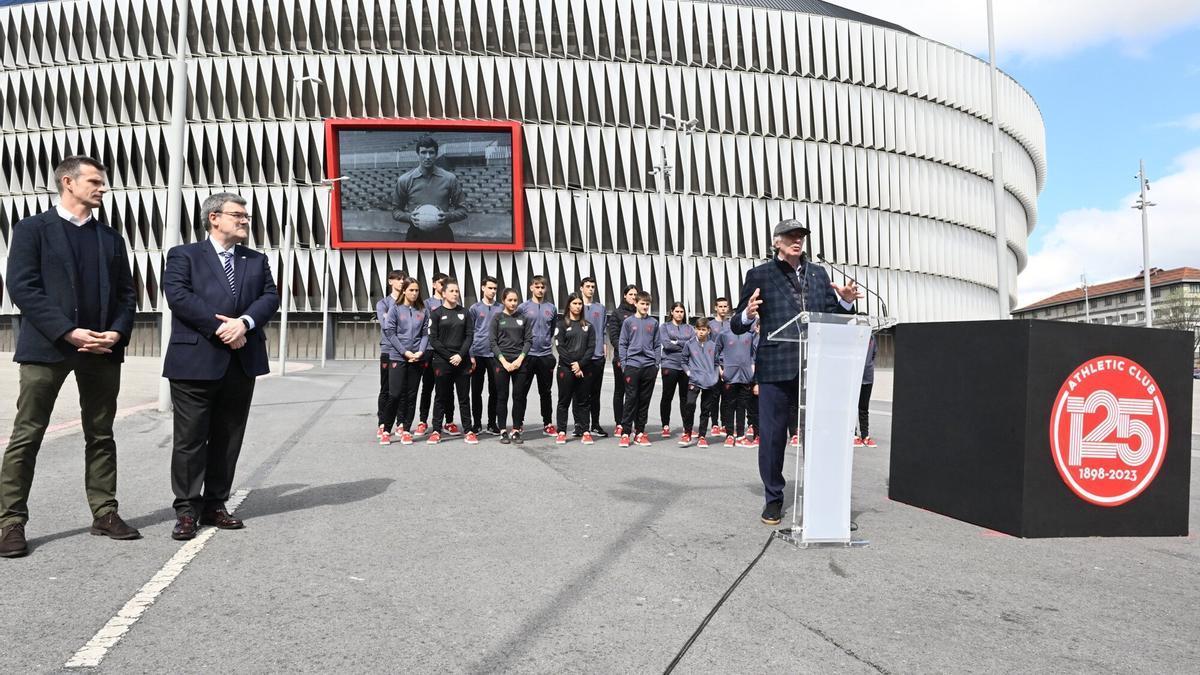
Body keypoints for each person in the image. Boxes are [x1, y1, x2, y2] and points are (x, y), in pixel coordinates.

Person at [0, 156, 140, 557]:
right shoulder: (32, 229)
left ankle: (104, 512)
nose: (102, 188)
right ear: (68, 182)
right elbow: (23, 288)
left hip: (101, 349)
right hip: (48, 347)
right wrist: (68, 330)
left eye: (102, 182)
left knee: (101, 433)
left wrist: (116, 332)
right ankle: (10, 522)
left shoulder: (110, 238)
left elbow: (126, 295)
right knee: (27, 435)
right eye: (94, 181)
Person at [162, 192, 281, 540]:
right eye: (238, 214)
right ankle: (186, 510)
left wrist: (243, 323)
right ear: (214, 217)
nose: (245, 220)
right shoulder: (183, 255)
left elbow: (269, 297)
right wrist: (222, 329)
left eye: (246, 216)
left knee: (228, 436)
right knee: (190, 439)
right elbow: (179, 297)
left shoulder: (255, 260)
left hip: (241, 360)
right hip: (194, 360)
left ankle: (215, 504)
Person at [732, 218, 860, 526]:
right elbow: (737, 324)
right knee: (773, 437)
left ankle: (821, 498)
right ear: (776, 241)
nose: (797, 240)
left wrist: (844, 302)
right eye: (790, 235)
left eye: (801, 235)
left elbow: (833, 317)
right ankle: (774, 498)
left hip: (816, 364)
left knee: (820, 435)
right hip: (776, 366)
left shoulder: (819, 274)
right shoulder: (759, 274)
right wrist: (748, 315)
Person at [391, 135, 468, 243]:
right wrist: (409, 217)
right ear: (417, 154)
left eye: (431, 152)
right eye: (423, 152)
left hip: (443, 235)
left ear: (436, 154)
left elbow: (463, 211)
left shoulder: (449, 178)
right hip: (415, 235)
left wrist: (448, 216)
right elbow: (395, 211)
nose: (427, 157)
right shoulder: (404, 180)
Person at [380, 279, 429, 445]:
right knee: (394, 394)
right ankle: (386, 429)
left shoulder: (422, 310)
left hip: (417, 358)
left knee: (411, 395)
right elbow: (390, 333)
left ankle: (406, 429)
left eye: (417, 290)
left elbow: (425, 334)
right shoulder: (395, 309)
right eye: (411, 290)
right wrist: (405, 352)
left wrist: (420, 352)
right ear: (404, 291)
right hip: (398, 357)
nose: (414, 293)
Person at [427, 279, 475, 445]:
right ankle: (436, 430)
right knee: (441, 396)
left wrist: (461, 355)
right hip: (442, 361)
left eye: (457, 291)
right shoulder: (436, 313)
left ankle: (468, 430)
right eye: (452, 291)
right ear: (444, 293)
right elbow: (433, 339)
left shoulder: (465, 312)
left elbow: (469, 336)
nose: (455, 294)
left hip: (462, 361)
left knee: (464, 397)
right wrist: (449, 357)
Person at [491, 289, 533, 445]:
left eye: (515, 300)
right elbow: (493, 342)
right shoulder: (497, 318)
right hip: (502, 363)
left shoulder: (524, 318)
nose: (513, 303)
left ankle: (516, 429)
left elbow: (529, 340)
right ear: (503, 300)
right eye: (510, 300)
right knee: (502, 396)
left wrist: (519, 360)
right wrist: (504, 362)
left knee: (518, 396)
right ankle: (502, 430)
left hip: (520, 363)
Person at [617, 292, 659, 448]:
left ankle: (640, 432)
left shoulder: (653, 323)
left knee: (644, 401)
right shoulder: (629, 322)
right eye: (642, 303)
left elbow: (657, 345)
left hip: (649, 366)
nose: (645, 306)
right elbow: (623, 344)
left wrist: (656, 364)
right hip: (632, 366)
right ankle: (626, 433)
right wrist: (625, 364)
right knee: (630, 399)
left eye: (647, 304)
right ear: (635, 304)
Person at [518, 276, 558, 435]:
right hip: (527, 355)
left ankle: (547, 423)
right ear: (531, 288)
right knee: (521, 391)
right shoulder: (523, 307)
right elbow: (517, 329)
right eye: (537, 286)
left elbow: (552, 328)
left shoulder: (551, 308)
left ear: (545, 289)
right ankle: (518, 423)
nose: (540, 290)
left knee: (546, 392)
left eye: (542, 287)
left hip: (545, 355)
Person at [554, 294, 594, 445]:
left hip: (584, 369)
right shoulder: (561, 324)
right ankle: (562, 432)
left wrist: (581, 364)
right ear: (569, 305)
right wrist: (573, 364)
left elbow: (591, 348)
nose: (578, 306)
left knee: (584, 401)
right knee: (564, 401)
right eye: (575, 303)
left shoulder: (588, 326)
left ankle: (585, 431)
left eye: (580, 303)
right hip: (566, 368)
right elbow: (560, 347)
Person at [417, 271, 451, 436]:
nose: (443, 284)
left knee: (446, 389)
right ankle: (423, 420)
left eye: (446, 282)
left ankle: (448, 421)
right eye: (440, 282)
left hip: (447, 351)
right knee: (427, 387)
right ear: (433, 284)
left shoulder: (451, 302)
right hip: (430, 350)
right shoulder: (426, 303)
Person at [468, 276, 502, 436]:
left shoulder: (500, 309)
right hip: (478, 354)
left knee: (495, 390)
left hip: (495, 355)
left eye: (495, 288)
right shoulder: (474, 308)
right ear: (483, 288)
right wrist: (471, 354)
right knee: (476, 390)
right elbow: (469, 332)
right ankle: (476, 423)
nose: (493, 291)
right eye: (490, 288)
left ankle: (492, 423)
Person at [376, 269, 407, 442]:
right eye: (398, 279)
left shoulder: (406, 302)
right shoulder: (383, 303)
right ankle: (382, 422)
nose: (402, 282)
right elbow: (387, 326)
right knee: (386, 389)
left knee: (402, 389)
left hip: (405, 351)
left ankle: (401, 422)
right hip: (388, 350)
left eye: (403, 279)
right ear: (390, 282)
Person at [718, 316, 758, 448]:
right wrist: (721, 369)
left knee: (742, 406)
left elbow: (753, 354)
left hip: (746, 376)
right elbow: (715, 352)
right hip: (730, 376)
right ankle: (730, 434)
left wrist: (752, 367)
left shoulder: (750, 335)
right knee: (730, 406)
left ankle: (741, 435)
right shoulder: (724, 334)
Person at [681, 318, 722, 448]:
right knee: (690, 404)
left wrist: (715, 376)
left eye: (703, 330)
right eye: (698, 329)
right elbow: (683, 361)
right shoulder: (689, 344)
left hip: (709, 381)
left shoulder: (713, 345)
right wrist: (689, 373)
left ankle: (702, 436)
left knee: (705, 409)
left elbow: (716, 363)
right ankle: (687, 432)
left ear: (708, 331)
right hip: (694, 380)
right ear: (695, 330)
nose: (701, 332)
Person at [658, 302, 695, 438]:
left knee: (685, 397)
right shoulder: (665, 327)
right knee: (667, 396)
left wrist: (677, 342)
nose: (679, 314)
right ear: (672, 312)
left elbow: (692, 345)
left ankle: (687, 427)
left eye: (682, 311)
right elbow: (666, 345)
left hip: (686, 366)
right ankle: (665, 425)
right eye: (677, 311)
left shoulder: (690, 328)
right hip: (670, 364)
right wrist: (683, 343)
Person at [606, 284, 639, 435]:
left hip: (638, 360)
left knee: (634, 393)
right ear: (625, 296)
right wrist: (624, 353)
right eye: (631, 294)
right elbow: (614, 336)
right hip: (622, 357)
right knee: (620, 391)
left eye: (635, 295)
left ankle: (630, 423)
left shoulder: (640, 313)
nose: (633, 297)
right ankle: (619, 423)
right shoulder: (617, 314)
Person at [579, 277, 609, 438]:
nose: (591, 289)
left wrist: (604, 347)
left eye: (593, 287)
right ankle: (580, 425)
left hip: (597, 356)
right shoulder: (576, 306)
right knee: (580, 393)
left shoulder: (601, 308)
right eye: (588, 286)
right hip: (581, 356)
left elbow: (603, 330)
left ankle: (595, 424)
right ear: (581, 288)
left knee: (595, 393)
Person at [708, 297, 732, 436]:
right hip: (714, 363)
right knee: (714, 395)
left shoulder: (730, 325)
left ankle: (724, 423)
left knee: (726, 395)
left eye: (725, 306)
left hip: (728, 363)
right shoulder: (711, 325)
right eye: (720, 306)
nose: (723, 309)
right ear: (716, 308)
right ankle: (715, 423)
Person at [855, 335, 878, 448]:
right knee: (852, 407)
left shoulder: (872, 338)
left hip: (868, 377)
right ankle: (853, 435)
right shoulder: (855, 336)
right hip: (854, 376)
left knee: (864, 407)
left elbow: (873, 354)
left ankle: (865, 435)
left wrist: (868, 366)